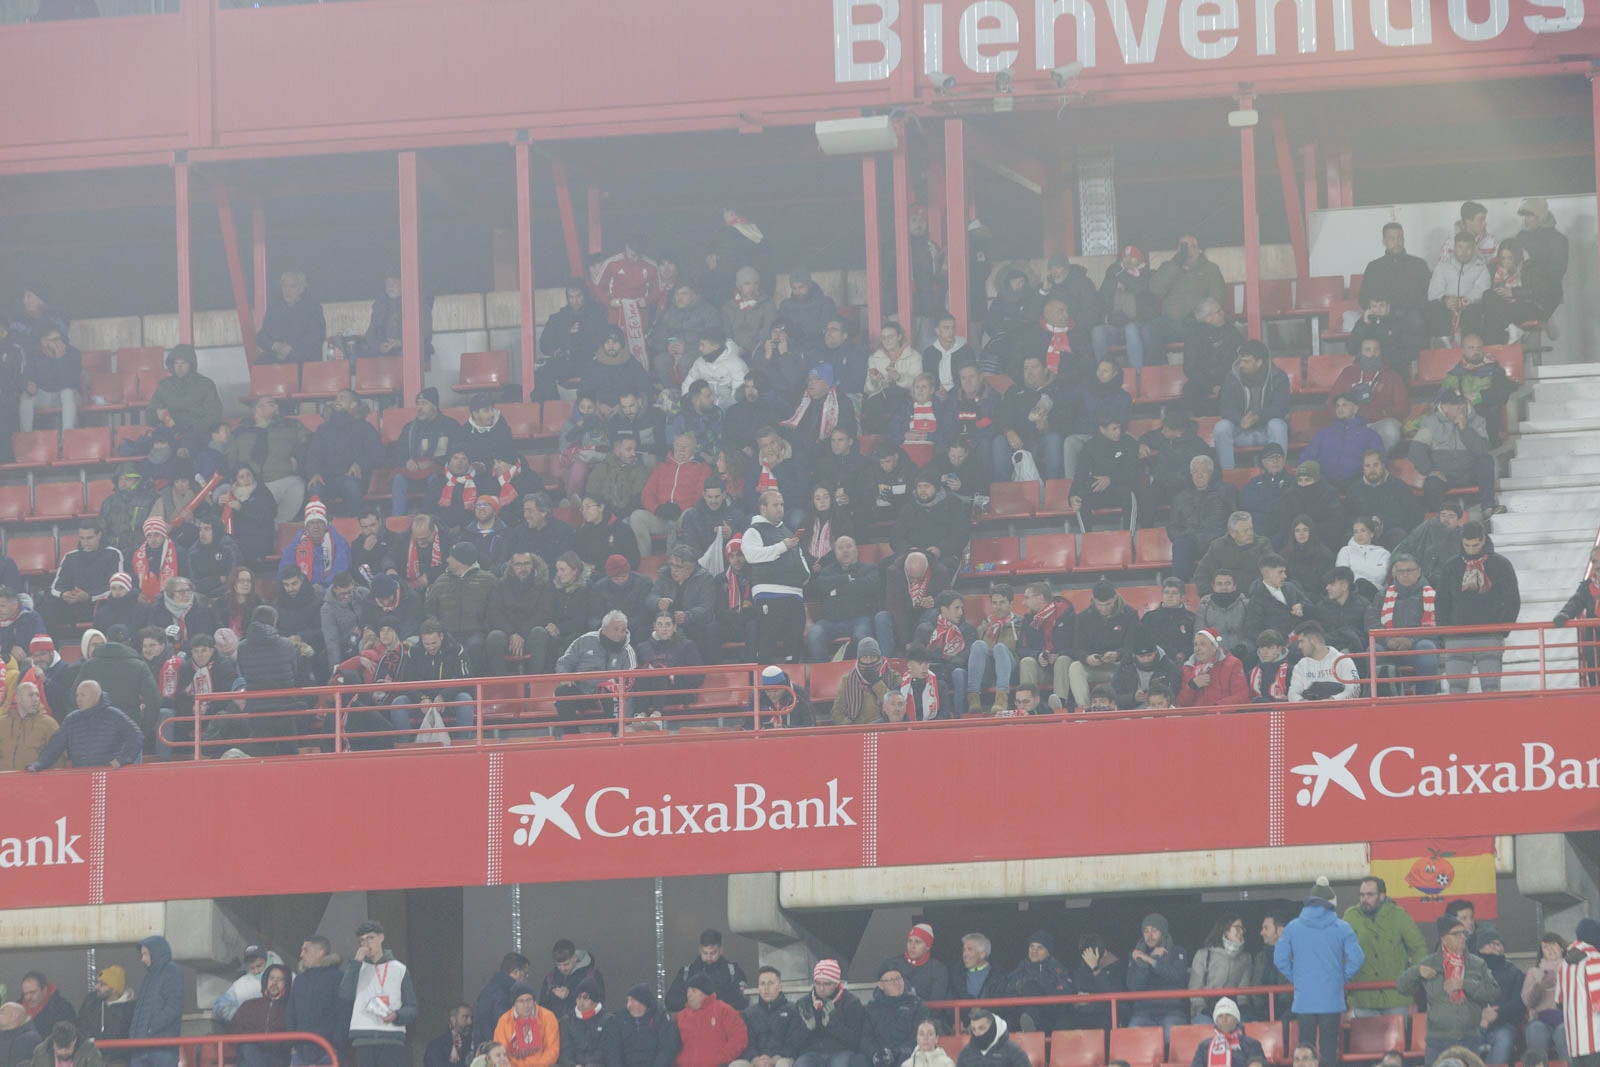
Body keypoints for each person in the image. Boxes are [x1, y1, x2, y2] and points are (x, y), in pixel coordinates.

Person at [1275, 877, 1364, 1067]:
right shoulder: (1342, 927)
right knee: (1329, 1052)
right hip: (1331, 1000)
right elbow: (1357, 958)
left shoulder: (1293, 928)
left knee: (1304, 1051)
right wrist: (1341, 977)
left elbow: (1280, 959)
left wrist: (1297, 978)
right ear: (1331, 905)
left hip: (1304, 1000)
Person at [1399, 915, 1501, 1066]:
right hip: (1437, 1040)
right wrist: (1417, 972)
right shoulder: (1430, 963)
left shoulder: (1477, 964)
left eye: (1463, 933)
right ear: (1444, 938)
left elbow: (1493, 992)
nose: (1462, 937)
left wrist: (1464, 984)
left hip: (1469, 1038)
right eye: (1456, 934)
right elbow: (1402, 986)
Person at [1436, 520, 1520, 694]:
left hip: (1489, 634)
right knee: (1456, 689)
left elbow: (1512, 600)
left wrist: (1501, 630)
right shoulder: (1451, 566)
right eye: (1467, 545)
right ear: (1462, 542)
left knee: (1491, 688)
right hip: (1457, 636)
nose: (1471, 549)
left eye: (1475, 545)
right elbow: (1442, 601)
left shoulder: (1501, 565)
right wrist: (1445, 633)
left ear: (1483, 540)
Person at [25, 680, 141, 771]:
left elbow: (136, 736)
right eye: (77, 695)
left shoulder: (114, 715)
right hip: (81, 775)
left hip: (110, 776)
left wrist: (122, 759)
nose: (78, 699)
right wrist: (39, 764)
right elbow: (55, 746)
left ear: (96, 696)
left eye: (83, 695)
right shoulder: (72, 719)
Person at [304, 390, 384, 517]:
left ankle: (355, 526)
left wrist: (360, 465)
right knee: (315, 489)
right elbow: (313, 454)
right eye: (336, 399)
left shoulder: (365, 428)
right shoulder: (323, 429)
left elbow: (377, 455)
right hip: (327, 478)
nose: (337, 401)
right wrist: (314, 473)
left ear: (353, 404)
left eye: (342, 398)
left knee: (351, 486)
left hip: (352, 477)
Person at [1214, 342, 1290, 471]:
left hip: (1267, 432)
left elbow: (1281, 407)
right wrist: (1240, 419)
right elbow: (1225, 407)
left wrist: (1257, 417)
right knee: (1221, 427)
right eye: (1241, 360)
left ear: (1259, 362)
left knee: (1278, 425)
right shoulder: (1232, 377)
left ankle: (1277, 473)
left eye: (1246, 361)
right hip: (1241, 431)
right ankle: (1228, 474)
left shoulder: (1278, 377)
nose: (1241, 365)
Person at [1168, 456, 1238, 582]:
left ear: (1211, 473)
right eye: (1195, 472)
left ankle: (1222, 588)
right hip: (1192, 541)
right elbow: (1172, 527)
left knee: (1222, 545)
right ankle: (1178, 587)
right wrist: (1188, 534)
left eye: (1203, 472)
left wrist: (1225, 536)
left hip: (1217, 539)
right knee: (1180, 545)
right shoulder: (1181, 497)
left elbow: (1236, 518)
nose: (1198, 476)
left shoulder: (1226, 490)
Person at [793, 960, 866, 1067]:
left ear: (837, 983)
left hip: (841, 1051)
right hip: (810, 1053)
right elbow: (792, 1042)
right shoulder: (804, 1004)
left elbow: (855, 1041)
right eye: (818, 983)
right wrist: (806, 1029)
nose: (821, 988)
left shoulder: (851, 1003)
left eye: (827, 984)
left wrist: (832, 1024)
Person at [286, 936, 346, 1067]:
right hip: (300, 1052)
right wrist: (292, 1043)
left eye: (305, 950)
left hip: (328, 1051)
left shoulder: (338, 977)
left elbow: (343, 1013)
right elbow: (291, 1013)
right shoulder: (299, 980)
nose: (301, 955)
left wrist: (337, 1043)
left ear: (320, 952)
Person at [1127, 914, 1188, 1035]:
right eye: (1146, 931)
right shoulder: (1137, 955)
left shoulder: (1177, 951)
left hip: (1172, 1012)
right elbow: (1134, 986)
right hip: (1143, 1013)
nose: (1150, 936)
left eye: (1154, 931)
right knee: (1133, 1035)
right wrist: (1146, 960)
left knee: (1171, 1038)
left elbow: (1177, 978)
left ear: (1163, 932)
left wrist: (1151, 961)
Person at [1179, 299, 1244, 414]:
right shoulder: (1193, 336)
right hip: (1203, 383)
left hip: (1229, 379)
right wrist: (1211, 386)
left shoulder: (1231, 330)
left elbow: (1243, 353)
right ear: (1207, 318)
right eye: (1218, 312)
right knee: (1190, 391)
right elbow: (1190, 369)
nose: (1223, 313)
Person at [129, 936, 183, 1067]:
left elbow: (174, 1006)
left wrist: (150, 1028)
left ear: (157, 952)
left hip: (161, 1048)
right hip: (142, 1047)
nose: (142, 959)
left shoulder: (171, 971)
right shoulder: (149, 977)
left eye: (145, 954)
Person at [1510, 197, 1569, 316]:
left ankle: (1544, 322)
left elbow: (1556, 273)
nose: (1526, 220)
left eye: (1530, 216)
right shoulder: (1522, 236)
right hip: (1523, 290)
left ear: (1540, 216)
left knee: (1529, 323)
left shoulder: (1558, 239)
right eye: (1525, 216)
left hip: (1545, 293)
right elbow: (1512, 262)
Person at [1188, 921, 1255, 1025]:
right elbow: (1194, 988)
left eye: (1242, 928)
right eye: (1237, 927)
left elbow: (1243, 992)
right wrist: (1202, 1009)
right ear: (1225, 930)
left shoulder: (1245, 957)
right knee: (1204, 1025)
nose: (1241, 931)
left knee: (1243, 1026)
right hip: (1207, 1007)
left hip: (1232, 1008)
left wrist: (1243, 1007)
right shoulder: (1203, 954)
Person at [1477, 930, 1527, 1065]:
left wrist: (1497, 1014)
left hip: (1504, 1025)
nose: (1495, 947)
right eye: (1489, 944)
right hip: (1474, 1024)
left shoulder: (1515, 973)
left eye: (1498, 944)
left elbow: (1519, 1005)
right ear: (1480, 948)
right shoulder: (1471, 971)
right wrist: (1481, 1017)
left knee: (1503, 1038)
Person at [228, 964, 293, 1067]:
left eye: (280, 979)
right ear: (266, 981)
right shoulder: (249, 1005)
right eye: (272, 978)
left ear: (286, 984)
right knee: (247, 1049)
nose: (274, 982)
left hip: (278, 1056)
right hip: (250, 1053)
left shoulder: (290, 1008)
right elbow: (233, 1031)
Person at [1005, 931, 1071, 1033]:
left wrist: (1041, 989)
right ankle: (1029, 1022)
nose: (1034, 951)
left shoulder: (1057, 969)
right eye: (1032, 946)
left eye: (1040, 947)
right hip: (1021, 1014)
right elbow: (1009, 991)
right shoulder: (1021, 968)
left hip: (1049, 1015)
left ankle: (1031, 1020)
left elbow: (1066, 992)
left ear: (1048, 951)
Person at [19, 325, 82, 432]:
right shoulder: (35, 354)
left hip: (69, 396)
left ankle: (67, 435)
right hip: (45, 396)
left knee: (67, 392)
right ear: (43, 342)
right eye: (54, 340)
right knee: (26, 396)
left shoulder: (73, 352)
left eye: (59, 338)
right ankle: (26, 437)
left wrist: (60, 359)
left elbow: (71, 382)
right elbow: (26, 376)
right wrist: (28, 385)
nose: (58, 342)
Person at [1554, 543, 1600, 688]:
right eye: (1594, 561)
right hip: (1594, 640)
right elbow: (1576, 602)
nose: (1598, 565)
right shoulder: (1587, 587)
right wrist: (1564, 614)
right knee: (1595, 679)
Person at [675, 976, 747, 1067]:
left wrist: (720, 1059)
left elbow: (739, 1038)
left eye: (694, 990)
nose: (689, 994)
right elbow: (671, 1045)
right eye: (688, 991)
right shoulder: (681, 1017)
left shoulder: (723, 1011)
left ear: (705, 993)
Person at [255, 270, 325, 363]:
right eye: (284, 286)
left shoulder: (313, 308)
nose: (287, 291)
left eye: (292, 286)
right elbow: (262, 336)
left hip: (303, 360)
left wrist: (290, 350)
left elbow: (316, 337)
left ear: (301, 289)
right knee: (258, 365)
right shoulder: (275, 308)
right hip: (277, 357)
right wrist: (276, 346)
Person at [604, 983, 679, 1067]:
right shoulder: (619, 1019)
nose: (629, 1005)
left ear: (643, 1002)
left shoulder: (661, 1019)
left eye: (632, 1000)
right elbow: (613, 1051)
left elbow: (667, 1050)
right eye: (628, 1000)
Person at [1523, 934, 1568, 1061]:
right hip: (1540, 1019)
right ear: (1541, 953)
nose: (1550, 949)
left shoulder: (1571, 968)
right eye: (1545, 947)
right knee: (1535, 1030)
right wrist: (1542, 985)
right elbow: (1528, 1002)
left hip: (1566, 1019)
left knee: (1563, 1031)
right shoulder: (1533, 972)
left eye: (1553, 944)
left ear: (1562, 948)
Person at [1288, 622, 1359, 701]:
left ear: (1314, 641)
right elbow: (1292, 693)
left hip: (1339, 711)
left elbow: (1354, 689)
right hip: (1309, 711)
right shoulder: (1301, 665)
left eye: (1302, 641)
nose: (1299, 646)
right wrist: (1301, 701)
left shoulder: (1343, 660)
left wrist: (1333, 700)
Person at [1177, 630, 1248, 709]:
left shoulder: (1232, 664)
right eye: (1195, 645)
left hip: (1222, 718)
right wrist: (1192, 686)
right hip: (1196, 719)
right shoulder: (1189, 668)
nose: (1197, 648)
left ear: (1214, 647)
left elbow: (1242, 697)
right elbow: (1182, 703)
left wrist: (1215, 708)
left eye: (1203, 644)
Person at [493, 984, 560, 1067]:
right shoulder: (504, 1021)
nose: (526, 1005)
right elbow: (501, 1053)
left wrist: (536, 1065)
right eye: (521, 1001)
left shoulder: (548, 1017)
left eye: (529, 1000)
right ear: (514, 1004)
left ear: (534, 1001)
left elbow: (552, 1050)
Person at [474, 957, 533, 1048]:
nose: (526, 978)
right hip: (498, 1050)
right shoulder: (505, 993)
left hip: (486, 1047)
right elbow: (504, 1024)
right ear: (516, 972)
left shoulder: (490, 988)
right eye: (525, 974)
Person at [0, 682, 59, 771]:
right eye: (31, 695)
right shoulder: (2, 723)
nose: (36, 699)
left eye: (37, 695)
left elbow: (58, 758)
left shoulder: (49, 724)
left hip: (36, 782)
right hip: (4, 781)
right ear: (18, 698)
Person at [1186, 999, 1262, 1067]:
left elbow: (1259, 1062)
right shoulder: (1204, 1046)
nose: (1224, 1020)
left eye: (1228, 1015)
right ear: (1216, 1021)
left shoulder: (1252, 1044)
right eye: (1220, 1016)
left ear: (1236, 1019)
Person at [557, 979, 607, 1067]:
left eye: (585, 998)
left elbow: (607, 1051)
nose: (581, 1001)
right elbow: (564, 1052)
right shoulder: (566, 1021)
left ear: (595, 1001)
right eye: (579, 997)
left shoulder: (607, 1021)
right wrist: (573, 1065)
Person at [76, 967, 133, 1044]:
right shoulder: (90, 1004)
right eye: (98, 983)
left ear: (114, 989)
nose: (96, 987)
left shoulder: (130, 1011)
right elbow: (80, 1029)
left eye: (103, 984)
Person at [954, 1010, 1027, 1067]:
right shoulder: (966, 1054)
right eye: (973, 1029)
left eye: (981, 1028)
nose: (977, 1033)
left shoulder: (1013, 1052)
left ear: (992, 1028)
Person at [32, 1023, 102, 1067]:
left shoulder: (90, 1052)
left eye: (68, 1047)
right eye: (59, 1048)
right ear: (54, 1042)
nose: (64, 1052)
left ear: (75, 1040)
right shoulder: (40, 1053)